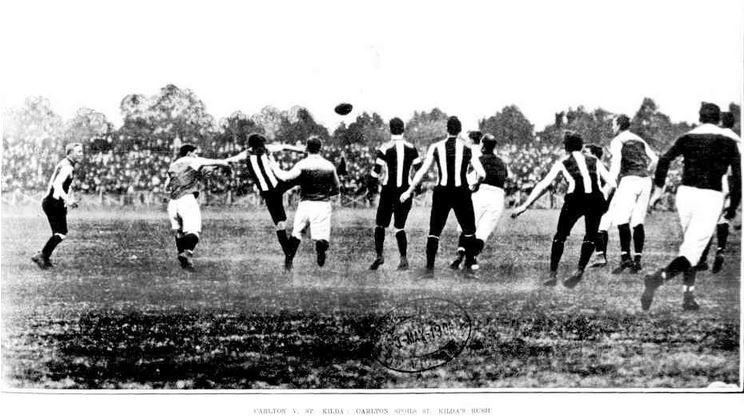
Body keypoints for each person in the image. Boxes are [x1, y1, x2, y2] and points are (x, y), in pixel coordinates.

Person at [642, 102, 741, 311]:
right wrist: (734, 205)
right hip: (711, 196)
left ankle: (688, 297)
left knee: (691, 247)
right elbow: (738, 177)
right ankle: (656, 280)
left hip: (685, 195)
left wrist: (658, 190)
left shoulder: (687, 137)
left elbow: (664, 159)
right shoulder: (729, 142)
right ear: (719, 120)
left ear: (700, 118)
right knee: (693, 249)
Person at [512, 131, 615, 288]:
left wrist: (525, 206)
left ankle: (552, 274)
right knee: (590, 235)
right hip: (596, 199)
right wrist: (604, 199)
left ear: (566, 147)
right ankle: (579, 270)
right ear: (581, 146)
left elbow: (544, 184)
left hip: (576, 198)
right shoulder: (594, 160)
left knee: (560, 236)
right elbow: (613, 184)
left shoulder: (563, 162)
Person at [400, 116, 485, 278]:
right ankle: (469, 266)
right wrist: (477, 184)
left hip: (442, 193)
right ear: (460, 131)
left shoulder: (436, 147)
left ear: (447, 129)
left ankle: (429, 269)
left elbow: (422, 171)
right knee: (469, 231)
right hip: (461, 192)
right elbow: (482, 173)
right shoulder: (467, 148)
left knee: (434, 231)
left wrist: (409, 190)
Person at [225, 133, 304, 260]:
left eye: (263, 145)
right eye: (259, 146)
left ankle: (289, 252)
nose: (262, 147)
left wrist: (301, 149)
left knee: (300, 177)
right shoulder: (246, 154)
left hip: (279, 184)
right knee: (280, 223)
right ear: (252, 146)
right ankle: (288, 253)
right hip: (269, 193)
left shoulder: (266, 149)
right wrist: (216, 163)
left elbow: (284, 147)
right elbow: (231, 160)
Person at [603, 115, 658, 274]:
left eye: (613, 125)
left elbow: (616, 165)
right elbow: (654, 159)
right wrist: (648, 173)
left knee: (621, 219)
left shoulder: (617, 140)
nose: (612, 128)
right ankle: (637, 260)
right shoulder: (639, 139)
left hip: (629, 180)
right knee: (638, 220)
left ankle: (625, 257)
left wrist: (608, 187)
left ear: (619, 125)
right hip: (645, 180)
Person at [275, 136, 341, 270]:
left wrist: (272, 165)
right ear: (320, 149)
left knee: (297, 233)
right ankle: (321, 248)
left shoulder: (302, 164)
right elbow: (336, 187)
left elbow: (285, 177)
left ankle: (289, 261)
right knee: (321, 235)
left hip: (305, 204)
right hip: (323, 204)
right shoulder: (329, 165)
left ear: (307, 148)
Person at [449, 134, 510, 271]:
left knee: (467, 227)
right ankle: (472, 259)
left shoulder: (478, 160)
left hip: (481, 192)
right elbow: (507, 176)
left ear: (482, 146)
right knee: (483, 232)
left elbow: (469, 177)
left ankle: (460, 256)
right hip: (498, 197)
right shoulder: (502, 162)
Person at [368, 117, 422, 271]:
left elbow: (375, 171)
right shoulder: (411, 148)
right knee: (399, 227)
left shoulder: (385, 147)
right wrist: (416, 187)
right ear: (403, 129)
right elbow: (419, 170)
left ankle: (379, 256)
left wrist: (370, 187)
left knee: (380, 225)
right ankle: (403, 259)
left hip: (388, 191)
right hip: (405, 190)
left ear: (390, 129)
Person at [165, 144, 230, 270]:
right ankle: (187, 253)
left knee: (180, 233)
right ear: (189, 153)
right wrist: (226, 163)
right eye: (195, 153)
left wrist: (194, 176)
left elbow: (166, 187)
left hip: (172, 203)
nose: (197, 155)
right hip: (187, 200)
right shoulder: (194, 160)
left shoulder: (172, 165)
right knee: (194, 232)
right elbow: (217, 162)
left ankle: (185, 261)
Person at [696, 111, 741, 273]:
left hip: (717, 180)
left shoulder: (717, 136)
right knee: (723, 219)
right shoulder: (739, 140)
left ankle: (702, 259)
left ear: (721, 121)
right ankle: (720, 250)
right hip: (733, 182)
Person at [32, 143, 84, 269]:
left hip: (51, 201)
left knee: (58, 232)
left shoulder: (65, 163)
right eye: (79, 152)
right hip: (53, 203)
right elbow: (57, 185)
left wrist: (68, 199)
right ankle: (42, 255)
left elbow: (65, 186)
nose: (81, 154)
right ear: (70, 153)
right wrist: (68, 201)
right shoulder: (68, 167)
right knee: (61, 232)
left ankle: (45, 257)